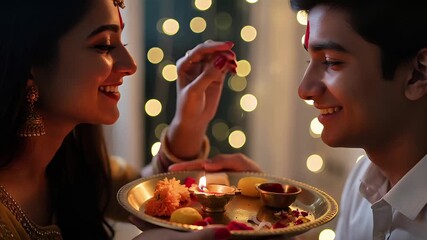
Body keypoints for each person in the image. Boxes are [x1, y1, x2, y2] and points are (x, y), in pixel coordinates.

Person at [0, 0, 259, 239]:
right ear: (30, 63)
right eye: (103, 44)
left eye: (122, 43)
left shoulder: (71, 163)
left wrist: (189, 121)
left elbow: (140, 192)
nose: (131, 64)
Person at [289, 0, 427, 239]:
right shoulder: (363, 179)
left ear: (417, 74)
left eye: (332, 62)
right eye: (309, 61)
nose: (305, 89)